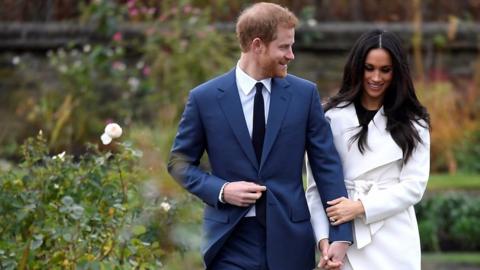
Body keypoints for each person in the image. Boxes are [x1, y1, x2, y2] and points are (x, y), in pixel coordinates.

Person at [168, 2, 353, 269]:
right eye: (284, 47)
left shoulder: (304, 95)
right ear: (257, 45)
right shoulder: (204, 99)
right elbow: (179, 163)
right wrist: (222, 190)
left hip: (291, 238)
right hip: (229, 240)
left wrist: (340, 235)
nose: (291, 55)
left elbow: (327, 167)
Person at [306, 29, 431, 270]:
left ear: (397, 73)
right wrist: (324, 241)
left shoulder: (415, 122)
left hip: (392, 235)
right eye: (369, 68)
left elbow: (414, 186)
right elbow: (315, 188)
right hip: (343, 239)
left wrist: (360, 207)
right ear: (357, 68)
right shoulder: (330, 117)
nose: (376, 77)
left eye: (385, 70)